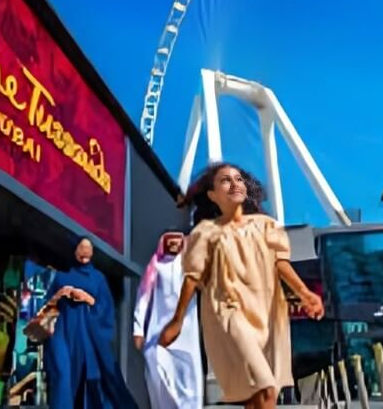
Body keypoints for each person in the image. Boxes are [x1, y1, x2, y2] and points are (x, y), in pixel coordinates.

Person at [160, 163, 324, 409]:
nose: (234, 184)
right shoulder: (205, 233)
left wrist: (304, 293)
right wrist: (177, 320)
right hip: (227, 312)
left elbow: (281, 264)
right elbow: (193, 276)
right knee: (264, 386)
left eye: (238, 179)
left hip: (267, 313)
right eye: (225, 180)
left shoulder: (266, 226)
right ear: (212, 195)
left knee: (259, 395)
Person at [42, 237, 138, 409]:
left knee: (91, 381)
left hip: (88, 335)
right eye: (82, 248)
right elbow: (48, 307)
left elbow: (106, 309)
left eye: (89, 248)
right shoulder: (62, 275)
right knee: (63, 377)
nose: (85, 251)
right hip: (63, 333)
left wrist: (87, 298)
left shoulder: (98, 279)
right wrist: (60, 294)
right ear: (75, 251)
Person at [133, 231, 202, 409]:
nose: (173, 244)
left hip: (186, 331)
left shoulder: (189, 265)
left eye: (177, 241)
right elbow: (143, 298)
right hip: (159, 329)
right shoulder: (156, 266)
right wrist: (138, 330)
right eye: (169, 241)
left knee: (188, 377)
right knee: (156, 368)